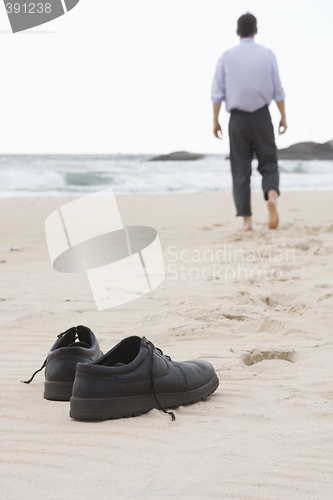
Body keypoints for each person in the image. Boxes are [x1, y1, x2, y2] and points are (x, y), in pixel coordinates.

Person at [211, 13, 287, 230]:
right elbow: (278, 90)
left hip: (237, 118)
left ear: (237, 32)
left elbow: (217, 93)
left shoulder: (226, 57)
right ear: (256, 31)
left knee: (240, 168)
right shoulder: (267, 54)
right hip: (262, 115)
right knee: (269, 162)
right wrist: (283, 116)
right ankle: (271, 196)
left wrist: (215, 120)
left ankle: (247, 221)